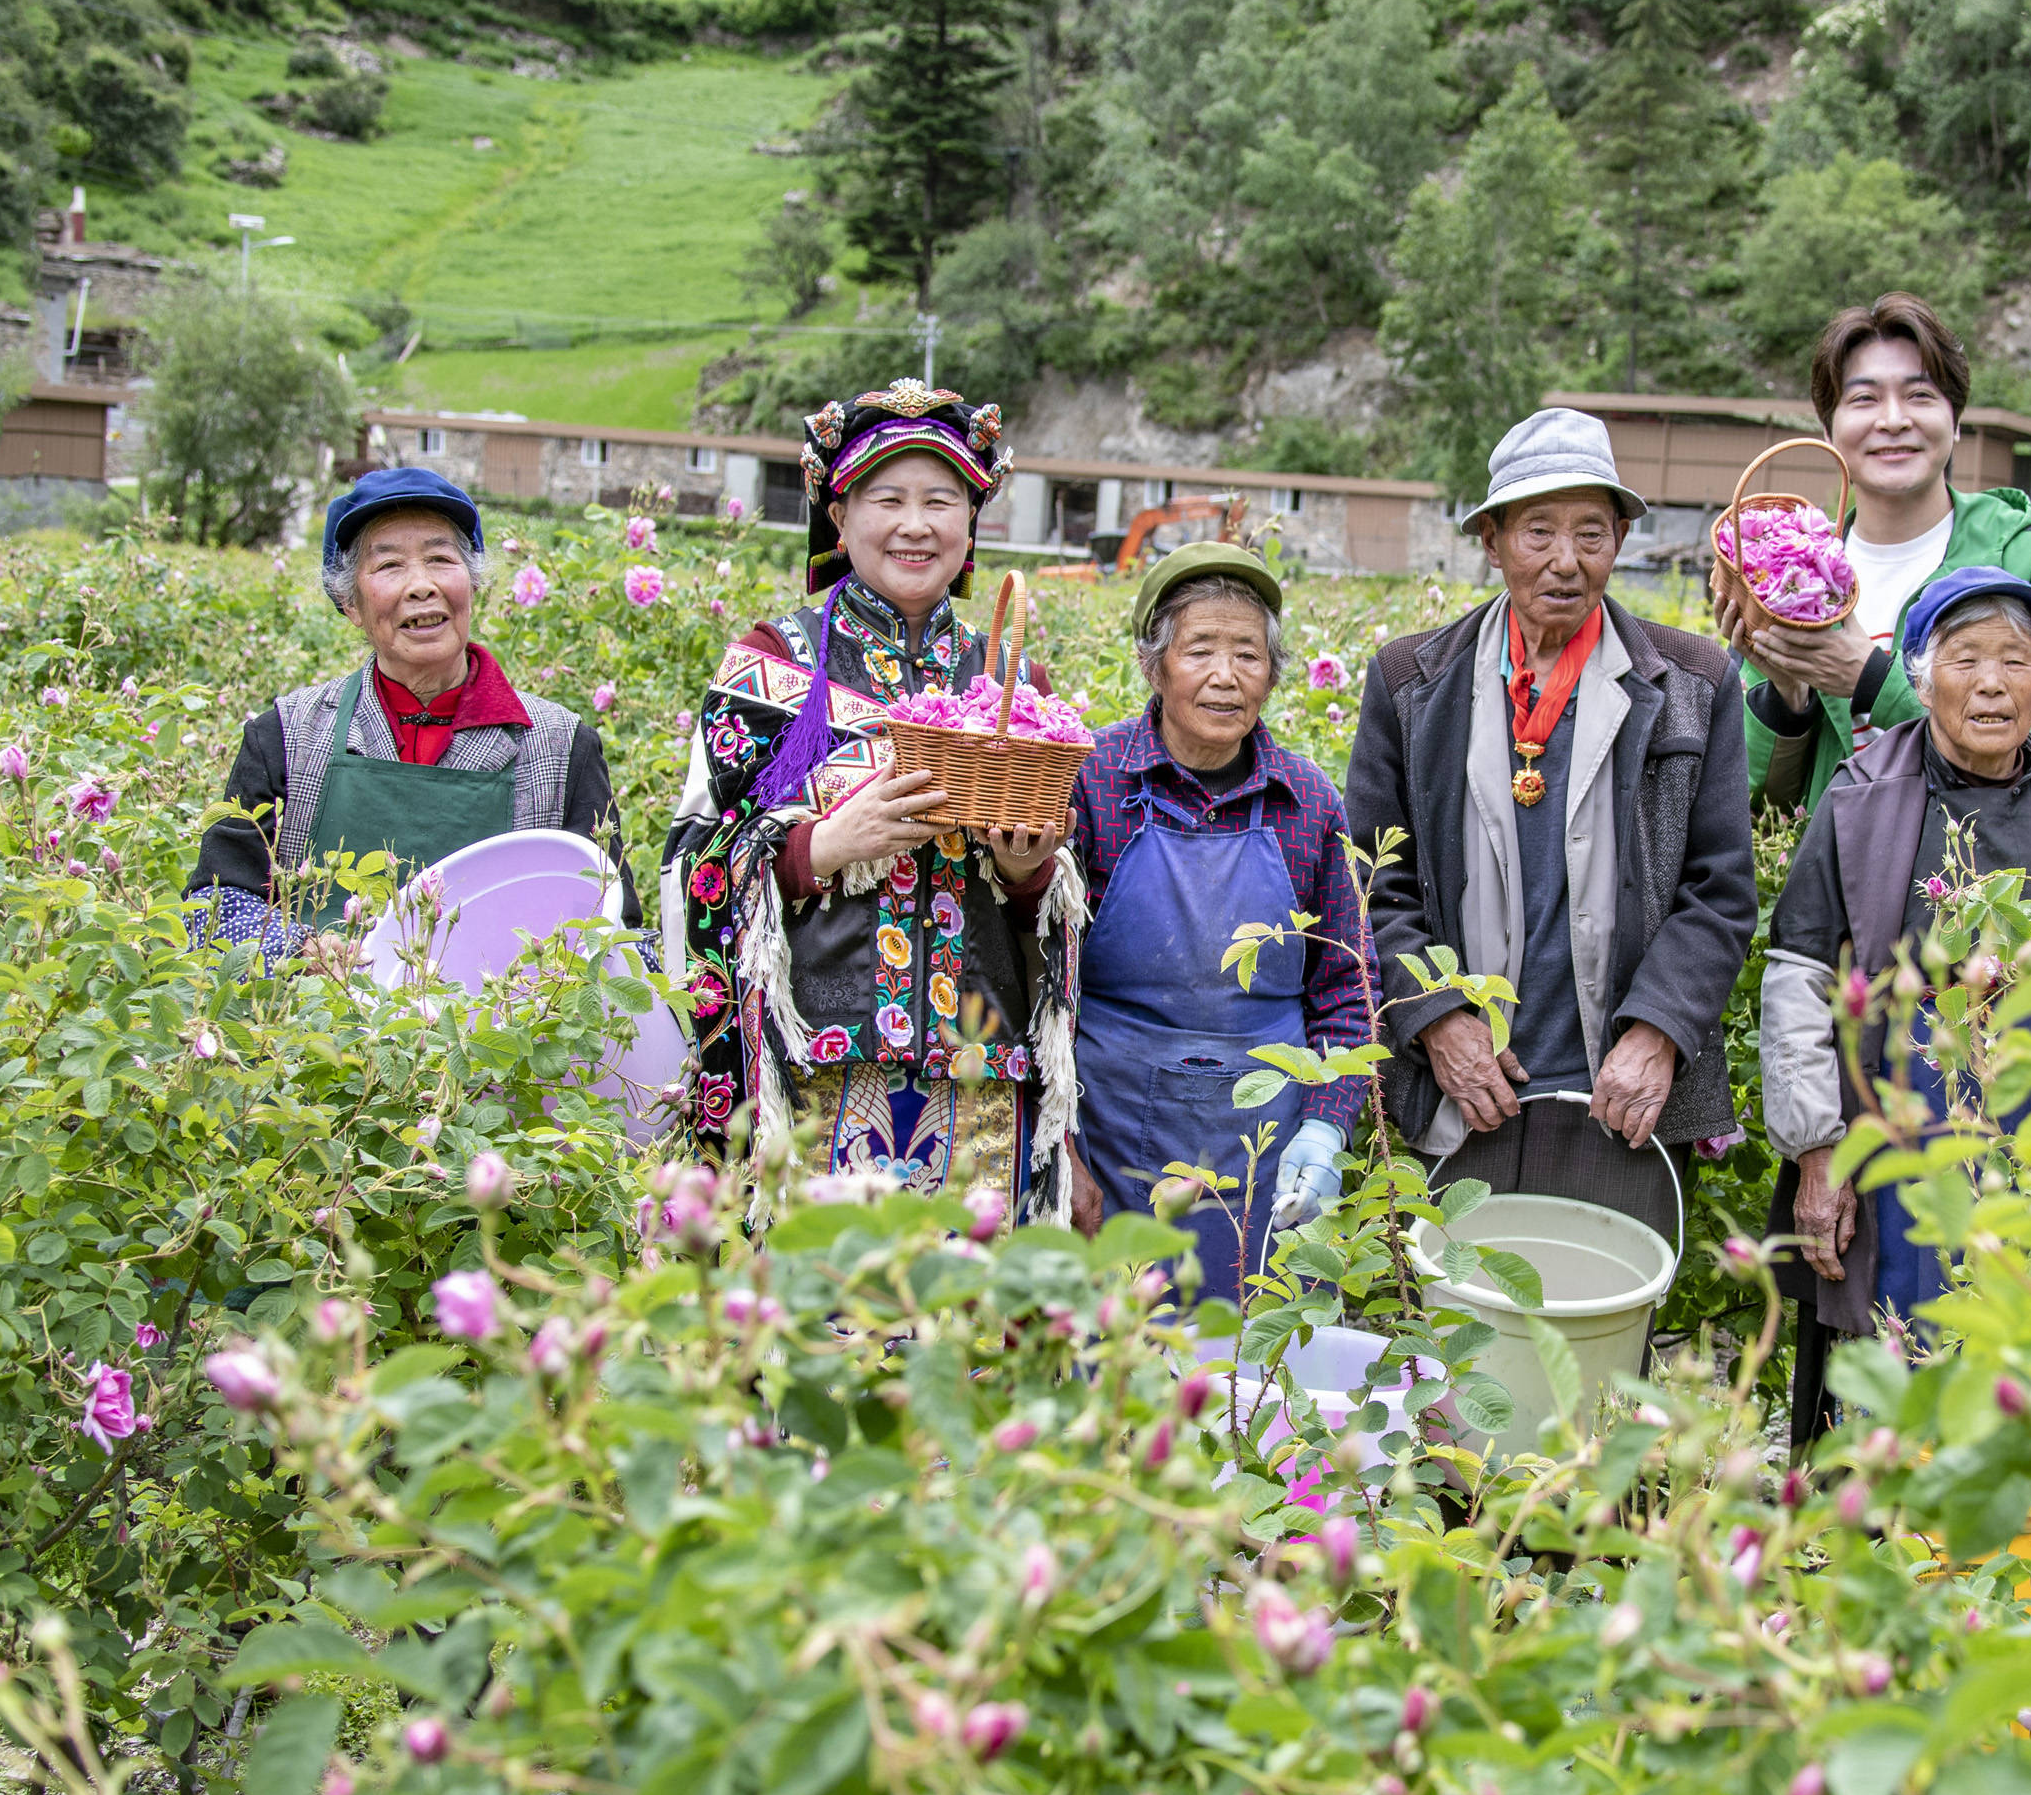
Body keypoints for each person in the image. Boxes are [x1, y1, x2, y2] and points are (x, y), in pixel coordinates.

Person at [663, 381, 1085, 1218]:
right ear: (840, 515)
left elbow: (1055, 899)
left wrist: (1027, 868)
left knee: (960, 1335)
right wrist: (815, 848)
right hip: (815, 1072)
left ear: (971, 523)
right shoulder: (769, 667)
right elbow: (691, 866)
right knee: (822, 1326)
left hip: (978, 1072)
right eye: (886, 498)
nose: (914, 524)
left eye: (941, 499)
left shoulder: (1014, 681)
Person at [1344, 408, 1756, 1250]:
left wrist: (1658, 1032)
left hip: (1619, 1103)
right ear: (1491, 541)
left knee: (1600, 1365)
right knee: (1460, 1362)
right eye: (1537, 531)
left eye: (1591, 533)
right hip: (1463, 1098)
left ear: (1621, 539)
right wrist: (1439, 1020)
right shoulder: (1410, 682)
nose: (1565, 561)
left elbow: (1719, 891)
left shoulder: (1693, 681)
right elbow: (1370, 883)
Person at [1756, 567, 2031, 1450]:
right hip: (1894, 1133)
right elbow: (1800, 974)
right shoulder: (1861, 793)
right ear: (1919, 674)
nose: (1992, 682)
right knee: (1890, 1362)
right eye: (1966, 658)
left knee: (2030, 1353)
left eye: (2017, 660)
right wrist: (1817, 1149)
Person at [1063, 543, 1379, 1296]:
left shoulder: (1308, 800)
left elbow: (1345, 989)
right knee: (1112, 1366)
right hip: (1110, 1137)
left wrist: (1326, 1128)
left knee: (1252, 1369)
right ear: (1154, 664)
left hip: (1270, 1142)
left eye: (1248, 653)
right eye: (1199, 648)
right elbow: (1041, 982)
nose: (1225, 675)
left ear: (1272, 674)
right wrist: (1061, 1147)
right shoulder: (1093, 777)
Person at [187, 468, 636, 962]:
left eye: (441, 559)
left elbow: (619, 931)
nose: (421, 585)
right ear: (350, 603)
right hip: (315, 1029)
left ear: (473, 584)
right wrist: (299, 951)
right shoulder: (285, 736)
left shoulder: (562, 747)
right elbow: (215, 904)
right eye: (390, 566)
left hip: (499, 1033)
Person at [1716, 293, 2031, 822]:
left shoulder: (2028, 553)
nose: (1893, 421)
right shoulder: (1791, 577)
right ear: (1829, 431)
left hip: (1984, 888)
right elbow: (1761, 806)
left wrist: (1871, 680)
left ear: (1956, 421)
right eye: (1864, 399)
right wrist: (1786, 699)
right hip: (1836, 890)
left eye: (1919, 395)